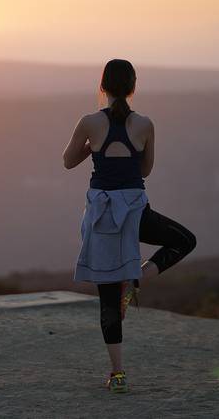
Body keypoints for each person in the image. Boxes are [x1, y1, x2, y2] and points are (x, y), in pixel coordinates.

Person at [62, 58, 197, 394]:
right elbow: (145, 171)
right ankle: (139, 276)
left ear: (103, 86)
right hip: (136, 213)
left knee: (107, 296)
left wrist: (94, 146)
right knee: (184, 240)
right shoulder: (146, 124)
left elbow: (68, 161)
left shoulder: (89, 122)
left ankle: (118, 374)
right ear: (133, 87)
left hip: (102, 217)